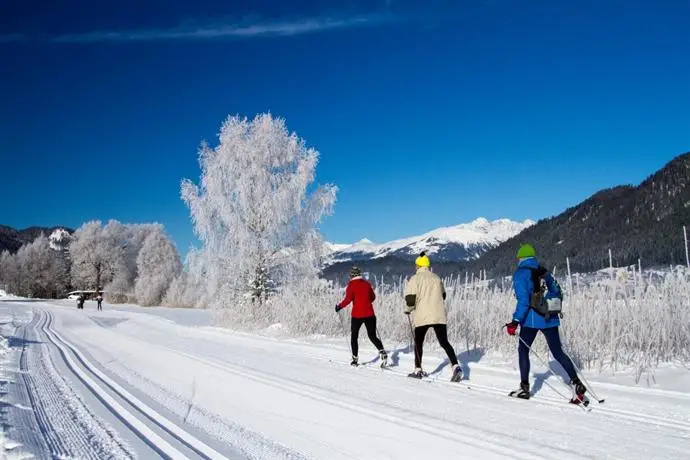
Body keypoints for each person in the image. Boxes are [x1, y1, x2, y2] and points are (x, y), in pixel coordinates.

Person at [505, 243, 587, 404]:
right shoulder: (543, 271)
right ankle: (577, 384)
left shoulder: (521, 274)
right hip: (550, 317)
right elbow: (556, 291)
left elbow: (523, 301)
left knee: (523, 350)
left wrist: (515, 321)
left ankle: (524, 387)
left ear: (521, 258)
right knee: (558, 352)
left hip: (531, 320)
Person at [403, 252, 462, 382]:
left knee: (418, 343)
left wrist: (407, 310)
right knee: (444, 342)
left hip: (423, 316)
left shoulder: (415, 279)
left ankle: (418, 370)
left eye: (416, 265)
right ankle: (456, 366)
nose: (415, 267)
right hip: (438, 315)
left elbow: (410, 300)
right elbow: (444, 296)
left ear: (418, 266)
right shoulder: (436, 278)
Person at [336, 266, 388, 367]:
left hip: (357, 315)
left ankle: (355, 359)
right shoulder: (366, 284)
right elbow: (373, 297)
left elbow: (348, 300)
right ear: (359, 274)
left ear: (351, 275)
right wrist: (366, 302)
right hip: (370, 314)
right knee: (372, 336)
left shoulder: (351, 285)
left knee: (354, 337)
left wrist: (339, 306)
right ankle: (382, 352)